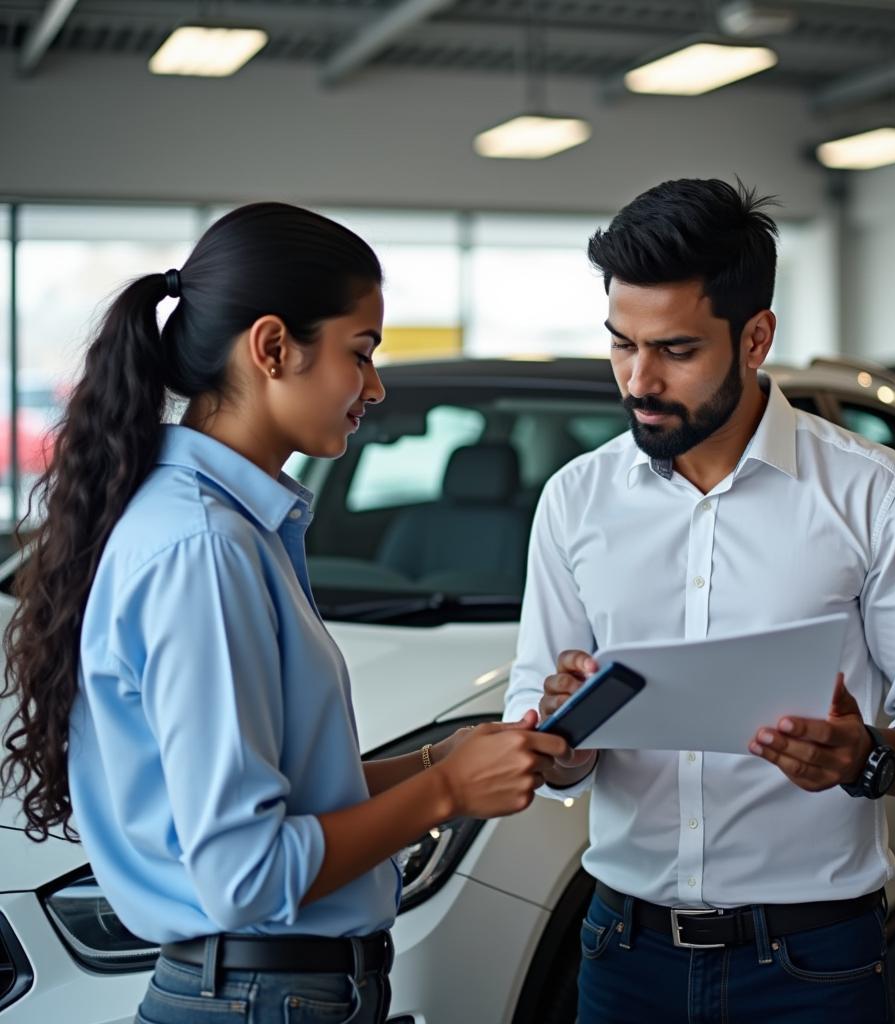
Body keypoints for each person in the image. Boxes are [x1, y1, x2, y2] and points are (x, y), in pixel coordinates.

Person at [0, 202, 569, 1024]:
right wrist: (446, 792)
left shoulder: (221, 524)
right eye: (362, 353)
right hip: (261, 999)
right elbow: (246, 873)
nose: (374, 386)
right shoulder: (205, 548)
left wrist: (438, 758)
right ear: (272, 347)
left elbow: (290, 797)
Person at [503, 178, 895, 1023]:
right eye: (621, 344)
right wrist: (560, 736)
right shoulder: (575, 500)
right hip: (622, 953)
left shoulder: (872, 493)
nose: (638, 380)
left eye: (676, 351)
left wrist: (869, 758)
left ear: (756, 337)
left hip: (813, 963)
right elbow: (537, 723)